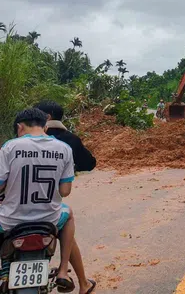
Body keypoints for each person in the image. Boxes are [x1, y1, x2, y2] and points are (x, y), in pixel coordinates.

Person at [0, 109, 95, 293]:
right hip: (49, 221)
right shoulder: (64, 149)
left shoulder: (10, 147)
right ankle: (63, 270)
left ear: (20, 127)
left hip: (10, 221)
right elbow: (65, 191)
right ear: (45, 126)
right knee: (68, 215)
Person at [34, 101, 96, 172]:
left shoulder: (29, 138)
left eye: (35, 115)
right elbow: (89, 164)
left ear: (48, 117)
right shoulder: (72, 139)